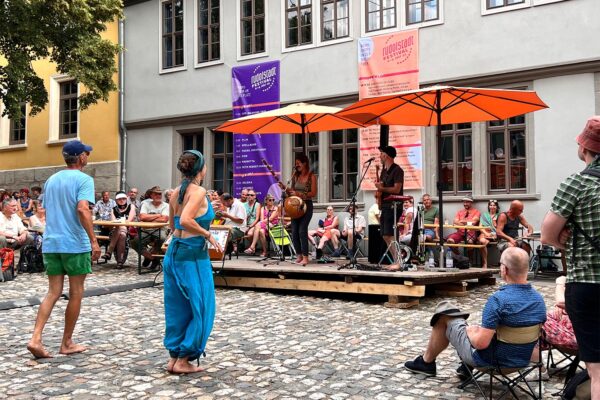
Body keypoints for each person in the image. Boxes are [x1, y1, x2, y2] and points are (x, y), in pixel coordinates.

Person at [404, 247, 546, 377]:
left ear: (504, 270)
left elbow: (480, 344)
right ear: (526, 269)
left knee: (445, 316)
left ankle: (426, 362)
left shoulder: (499, 301)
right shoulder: (539, 300)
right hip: (521, 361)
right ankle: (464, 367)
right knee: (487, 329)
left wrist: (470, 331)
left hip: (491, 363)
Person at [541, 115, 600, 397]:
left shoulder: (575, 184)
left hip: (588, 283)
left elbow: (547, 236)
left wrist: (567, 237)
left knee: (598, 371)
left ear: (584, 146)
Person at [27, 140, 101, 359]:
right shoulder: (84, 179)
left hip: (52, 242)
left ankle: (35, 338)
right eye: (86, 153)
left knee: (53, 292)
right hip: (74, 243)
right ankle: (66, 342)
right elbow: (82, 209)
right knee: (76, 292)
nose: (88, 156)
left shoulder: (51, 180)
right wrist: (94, 241)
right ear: (80, 158)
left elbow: (46, 210)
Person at [163, 150, 221, 374]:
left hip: (174, 254)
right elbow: (186, 220)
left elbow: (173, 224)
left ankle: (175, 356)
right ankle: (184, 359)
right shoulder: (198, 190)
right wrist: (207, 235)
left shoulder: (176, 191)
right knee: (202, 306)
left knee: (178, 307)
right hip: (192, 256)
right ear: (202, 168)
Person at [374, 146, 404, 270]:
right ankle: (396, 260)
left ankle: (398, 262)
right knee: (385, 234)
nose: (380, 156)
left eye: (381, 154)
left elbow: (397, 189)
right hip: (385, 205)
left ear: (386, 155)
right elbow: (381, 185)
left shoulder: (397, 170)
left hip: (394, 205)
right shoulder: (384, 171)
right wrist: (379, 189)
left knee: (390, 233)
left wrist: (382, 189)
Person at [285, 154, 317, 266]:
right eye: (296, 163)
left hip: (306, 206)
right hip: (294, 207)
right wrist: (286, 189)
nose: (296, 165)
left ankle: (305, 257)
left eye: (298, 163)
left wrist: (298, 194)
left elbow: (313, 193)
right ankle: (298, 255)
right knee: (294, 232)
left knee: (302, 231)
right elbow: (292, 191)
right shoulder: (295, 176)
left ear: (305, 164)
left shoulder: (311, 176)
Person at [132, 186, 169, 269]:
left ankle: (154, 256)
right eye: (156, 194)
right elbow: (142, 217)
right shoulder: (146, 203)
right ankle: (150, 257)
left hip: (161, 229)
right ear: (151, 195)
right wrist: (158, 215)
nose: (158, 196)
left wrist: (148, 218)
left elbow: (164, 219)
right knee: (135, 241)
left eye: (160, 194)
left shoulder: (166, 205)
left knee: (162, 238)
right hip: (146, 229)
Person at [102, 191, 136, 268]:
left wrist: (120, 224)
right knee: (122, 234)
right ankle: (120, 261)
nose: (122, 200)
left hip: (129, 231)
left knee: (121, 229)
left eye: (123, 198)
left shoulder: (131, 206)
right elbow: (114, 223)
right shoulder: (113, 209)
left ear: (126, 199)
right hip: (115, 232)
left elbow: (129, 220)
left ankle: (109, 251)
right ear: (116, 200)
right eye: (119, 199)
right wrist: (119, 224)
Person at [478, 199, 500, 269]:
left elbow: (500, 229)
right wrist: (486, 233)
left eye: (494, 205)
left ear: (497, 207)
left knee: (493, 238)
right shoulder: (484, 215)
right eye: (491, 205)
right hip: (485, 233)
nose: (492, 207)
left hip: (495, 234)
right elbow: (480, 227)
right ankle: (485, 263)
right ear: (488, 206)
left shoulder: (499, 216)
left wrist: (495, 225)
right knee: (482, 241)